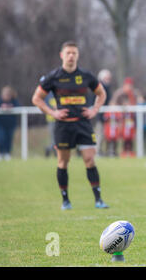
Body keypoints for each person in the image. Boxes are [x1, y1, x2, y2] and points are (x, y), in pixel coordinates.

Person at [31, 41, 109, 210]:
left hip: (83, 124)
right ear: (62, 55)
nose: (71, 56)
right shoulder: (53, 77)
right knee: (63, 162)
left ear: (77, 55)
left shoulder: (86, 76)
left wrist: (95, 109)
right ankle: (65, 201)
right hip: (63, 126)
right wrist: (53, 113)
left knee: (89, 159)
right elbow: (36, 98)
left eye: (74, 53)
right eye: (68, 53)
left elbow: (101, 93)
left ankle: (98, 200)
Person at [0, 86, 20, 161]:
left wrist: (10, 107)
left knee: (9, 139)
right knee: (1, 139)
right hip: (1, 124)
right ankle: (0, 153)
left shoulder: (14, 100)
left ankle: (7, 153)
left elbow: (18, 107)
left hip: (11, 124)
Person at [95, 69, 113, 156]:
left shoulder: (107, 88)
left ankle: (106, 151)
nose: (108, 80)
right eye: (107, 78)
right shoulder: (99, 87)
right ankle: (97, 151)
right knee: (100, 135)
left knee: (108, 135)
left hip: (107, 116)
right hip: (100, 116)